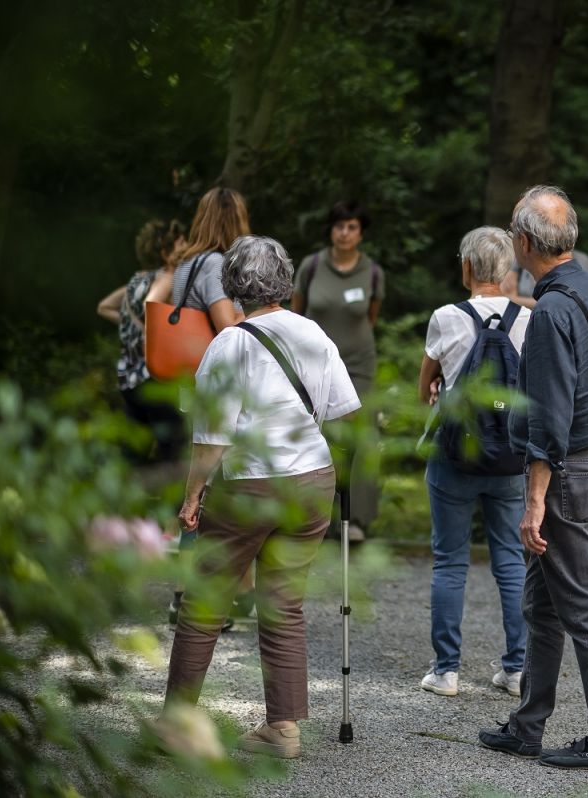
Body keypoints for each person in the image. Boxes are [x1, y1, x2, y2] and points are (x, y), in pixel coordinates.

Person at [160, 235, 360, 758]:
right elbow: (343, 412)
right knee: (283, 605)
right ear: (284, 281)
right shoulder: (313, 333)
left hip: (251, 482)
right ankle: (283, 728)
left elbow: (211, 437)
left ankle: (177, 725)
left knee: (204, 604)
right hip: (313, 478)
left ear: (233, 284)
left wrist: (191, 497)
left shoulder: (230, 342)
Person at [478, 186, 588, 771]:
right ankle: (527, 725)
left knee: (583, 608)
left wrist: (534, 501)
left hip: (566, 474)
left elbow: (548, 416)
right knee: (541, 607)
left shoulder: (551, 312)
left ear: (522, 243)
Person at [415, 226, 530, 696]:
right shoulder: (527, 319)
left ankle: (446, 671)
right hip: (511, 458)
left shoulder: (445, 317)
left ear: (466, 268)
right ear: (507, 271)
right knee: (510, 559)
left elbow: (425, 388)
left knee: (449, 561)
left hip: (455, 457)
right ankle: (517, 667)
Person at [168, 187, 252, 624]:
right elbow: (229, 325)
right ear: (235, 221)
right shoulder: (217, 265)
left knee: (200, 488)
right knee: (208, 495)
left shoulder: (185, 265)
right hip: (220, 388)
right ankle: (195, 596)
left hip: (194, 384)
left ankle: (192, 592)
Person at [292, 201, 385, 543]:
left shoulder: (372, 271)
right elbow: (295, 314)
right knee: (317, 435)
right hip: (315, 363)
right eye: (339, 226)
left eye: (352, 227)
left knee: (362, 439)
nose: (345, 233)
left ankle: (356, 519)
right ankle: (317, 517)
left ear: (361, 233)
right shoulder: (311, 266)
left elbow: (370, 317)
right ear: (331, 230)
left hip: (359, 366)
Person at [96, 219, 188, 462]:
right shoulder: (167, 277)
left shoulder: (136, 280)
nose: (186, 246)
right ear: (165, 252)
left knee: (133, 451)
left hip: (128, 378)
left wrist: (131, 328)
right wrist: (156, 331)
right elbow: (151, 304)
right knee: (175, 446)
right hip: (153, 377)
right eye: (181, 242)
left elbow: (104, 307)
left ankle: (129, 495)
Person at [171, 187, 250, 332]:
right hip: (209, 354)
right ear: (236, 222)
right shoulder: (214, 263)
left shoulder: (187, 262)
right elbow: (228, 329)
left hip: (189, 353)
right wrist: (262, 310)